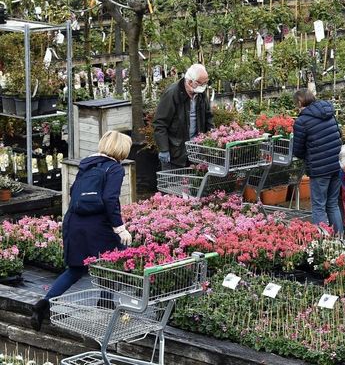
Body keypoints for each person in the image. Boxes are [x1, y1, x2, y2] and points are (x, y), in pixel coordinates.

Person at [30, 130, 133, 331]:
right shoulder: (114, 169)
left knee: (76, 269)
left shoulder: (86, 165)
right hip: (98, 225)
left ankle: (43, 306)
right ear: (121, 149)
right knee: (112, 263)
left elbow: (72, 193)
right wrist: (120, 229)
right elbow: (110, 199)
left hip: (74, 222)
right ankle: (105, 303)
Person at [292, 89, 344, 235]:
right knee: (332, 204)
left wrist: (309, 155)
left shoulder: (302, 121)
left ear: (300, 102)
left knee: (319, 206)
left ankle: (322, 240)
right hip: (336, 164)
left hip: (319, 169)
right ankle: (340, 239)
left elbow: (298, 150)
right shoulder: (328, 111)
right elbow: (339, 134)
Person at [153, 63, 214, 170]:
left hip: (196, 149)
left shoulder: (200, 94)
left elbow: (208, 117)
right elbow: (160, 123)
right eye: (201, 83)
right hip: (175, 151)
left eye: (205, 83)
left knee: (194, 183)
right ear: (190, 81)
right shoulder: (172, 94)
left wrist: (212, 137)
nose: (203, 86)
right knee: (173, 183)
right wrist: (164, 149)